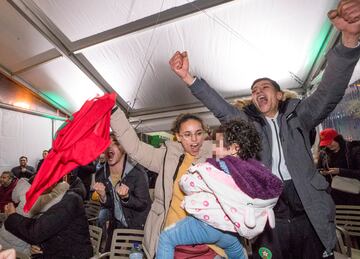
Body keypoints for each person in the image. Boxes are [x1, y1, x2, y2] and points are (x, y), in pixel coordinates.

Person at [168, 2, 360, 258]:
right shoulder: (250, 124)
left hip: (307, 208)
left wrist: (348, 39)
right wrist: (187, 77)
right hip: (268, 211)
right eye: (254, 90)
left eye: (264, 87)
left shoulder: (299, 115)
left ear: (279, 95)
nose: (258, 92)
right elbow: (222, 109)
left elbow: (328, 92)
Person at [156, 120, 283, 259]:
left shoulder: (217, 167)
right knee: (238, 253)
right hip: (230, 233)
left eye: (218, 144)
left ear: (234, 148)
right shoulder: (256, 171)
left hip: (206, 226)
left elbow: (188, 184)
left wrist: (188, 177)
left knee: (166, 238)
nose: (214, 148)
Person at [110, 109, 227, 258]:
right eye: (187, 134)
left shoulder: (216, 155)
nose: (194, 140)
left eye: (199, 133)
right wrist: (114, 113)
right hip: (171, 242)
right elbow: (136, 148)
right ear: (178, 136)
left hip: (205, 245)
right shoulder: (167, 157)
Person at [4, 175, 93, 259]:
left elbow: (36, 231)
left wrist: (12, 216)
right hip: (57, 250)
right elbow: (51, 229)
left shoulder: (69, 200)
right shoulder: (59, 198)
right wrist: (40, 246)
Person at [92, 132, 151, 251]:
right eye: (107, 143)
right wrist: (103, 196)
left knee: (135, 255)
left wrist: (127, 197)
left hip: (138, 224)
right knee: (109, 253)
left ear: (124, 148)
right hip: (117, 222)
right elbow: (110, 204)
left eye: (115, 143)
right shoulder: (101, 174)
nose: (110, 146)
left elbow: (143, 204)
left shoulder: (137, 173)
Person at [317, 128, 360, 205]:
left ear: (338, 139)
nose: (328, 145)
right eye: (326, 143)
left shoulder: (353, 150)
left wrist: (340, 171)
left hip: (354, 194)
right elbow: (318, 170)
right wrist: (322, 172)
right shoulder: (323, 154)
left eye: (330, 142)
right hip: (334, 196)